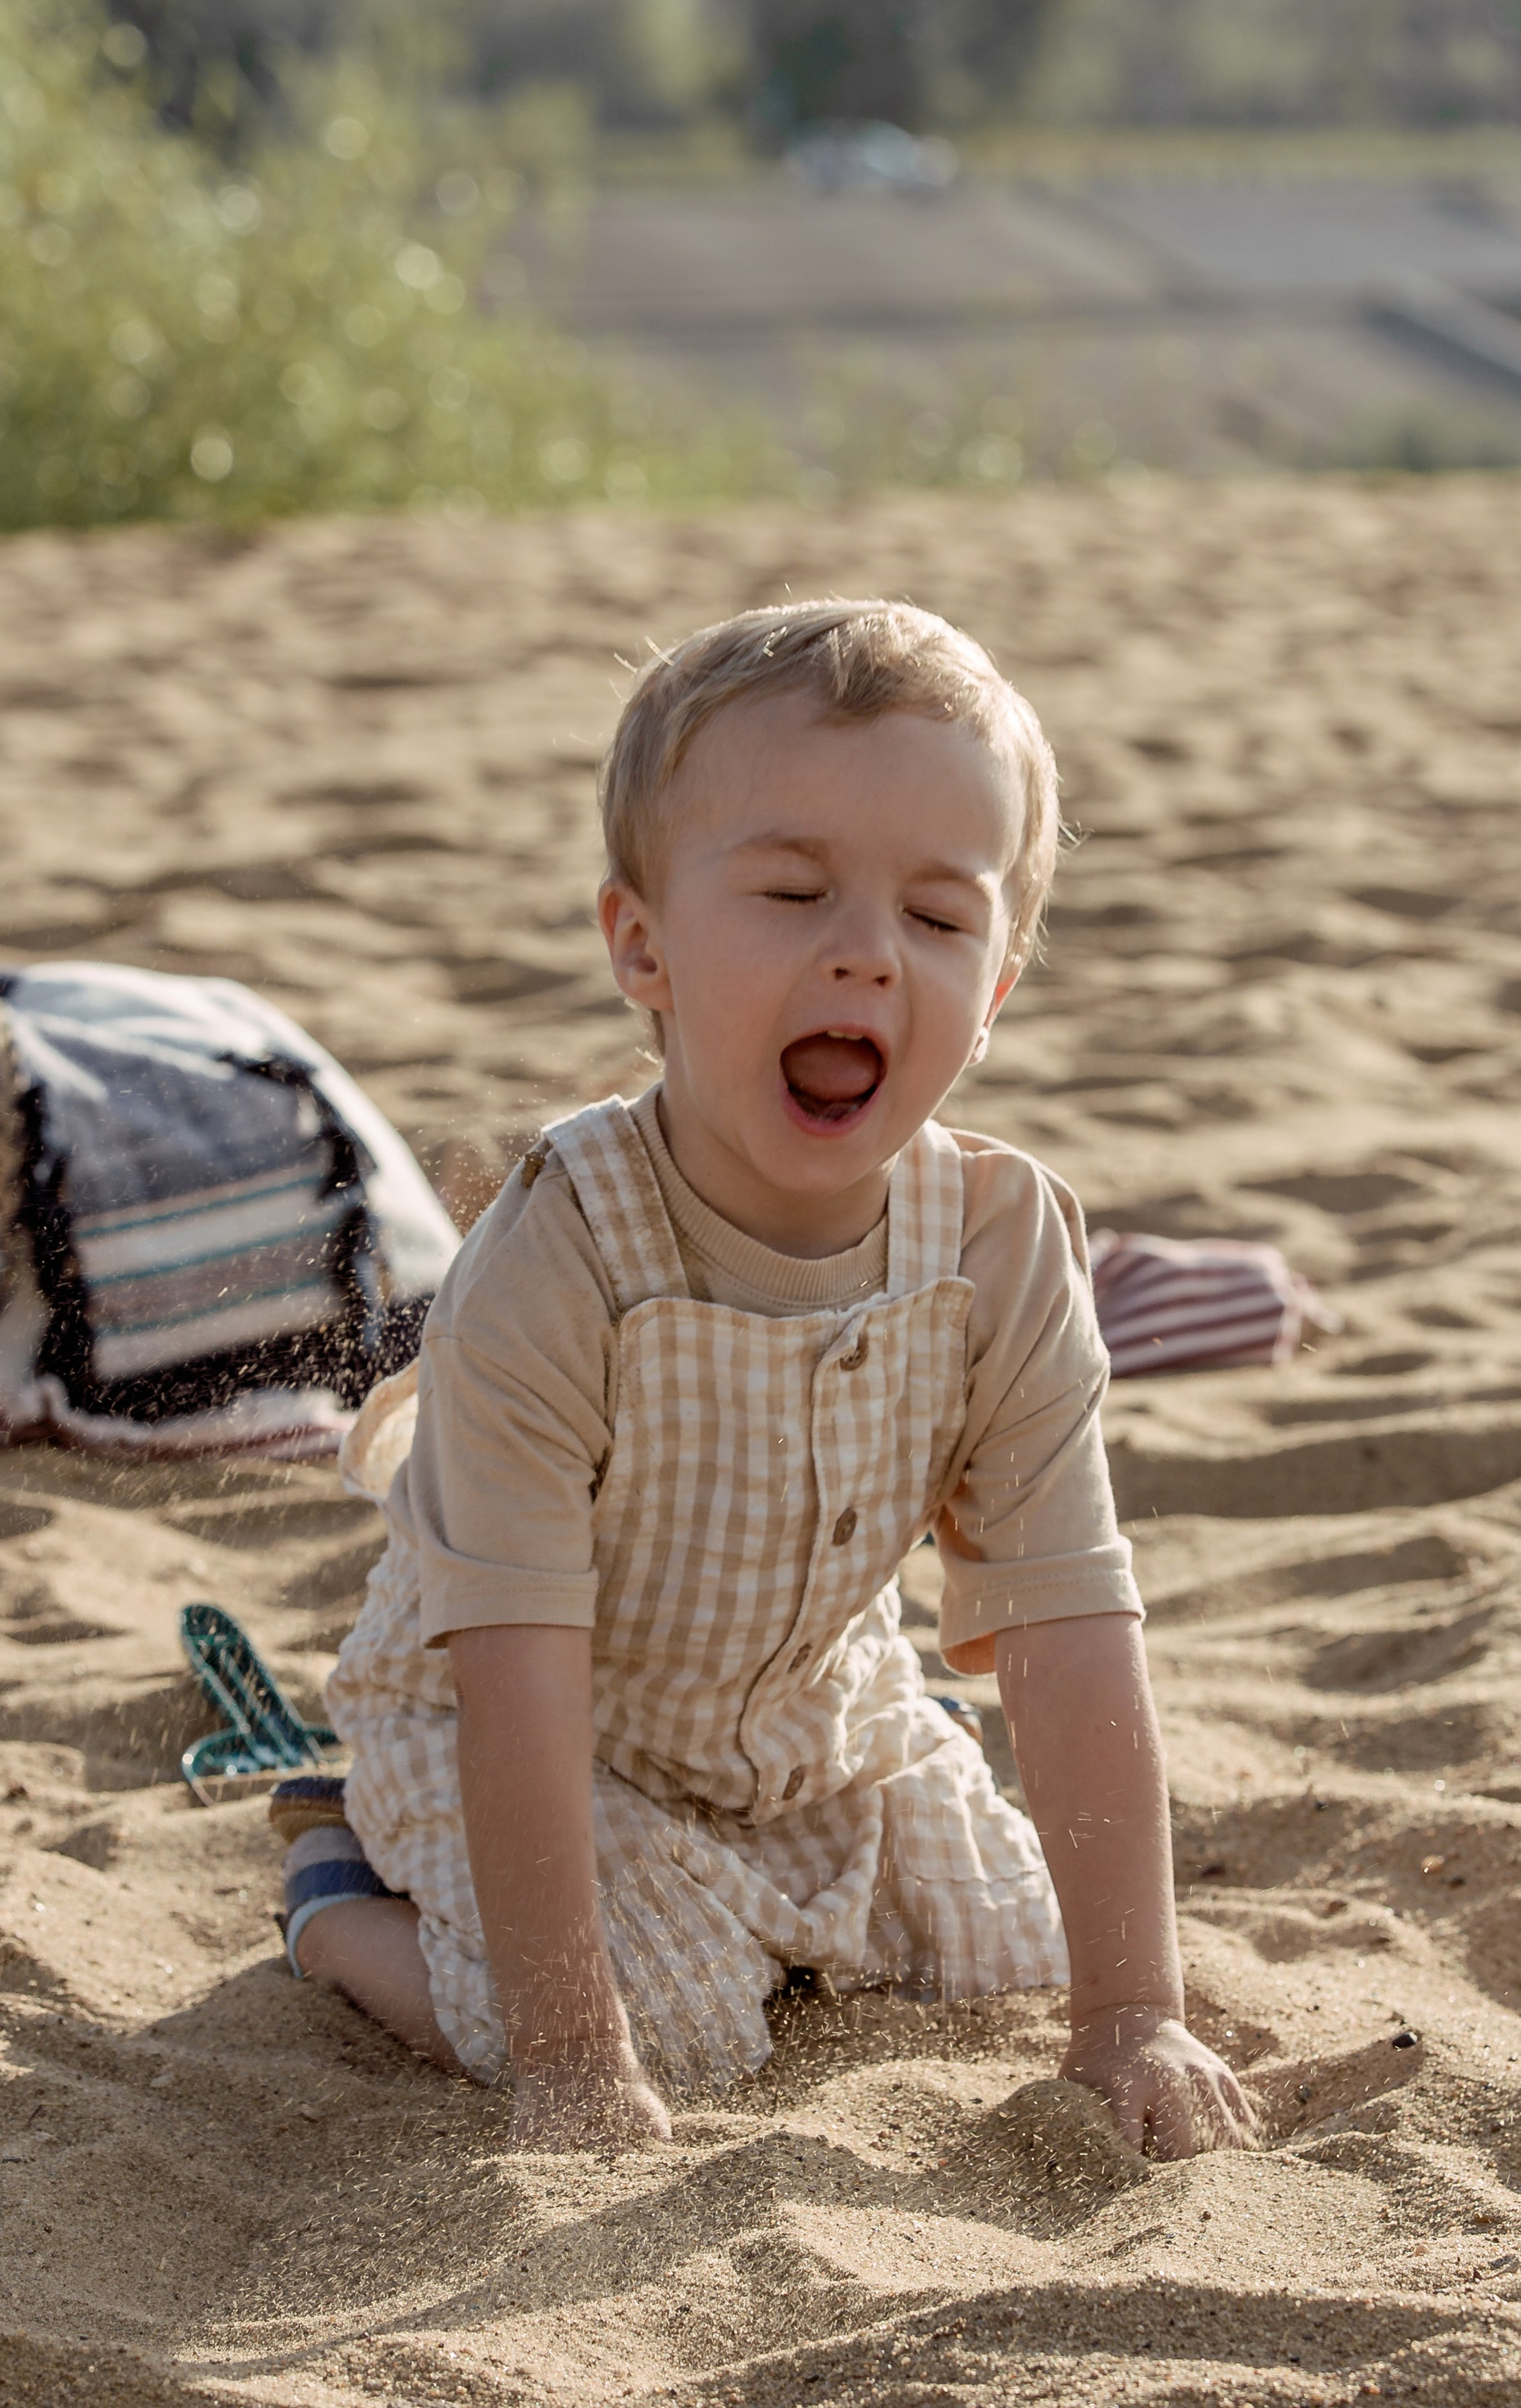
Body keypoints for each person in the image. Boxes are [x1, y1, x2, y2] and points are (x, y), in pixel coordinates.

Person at [280, 599, 1256, 2161]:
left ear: (996, 983)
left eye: (940, 920)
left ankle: (770, 1904)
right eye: (793, 889)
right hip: (521, 1711)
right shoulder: (559, 1253)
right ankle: (339, 1903)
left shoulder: (998, 1244)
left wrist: (1129, 2010)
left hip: (810, 1717)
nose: (865, 952)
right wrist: (572, 2057)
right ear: (640, 944)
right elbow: (515, 1666)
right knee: (670, 2025)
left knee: (1013, 1949)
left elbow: (1071, 1626)